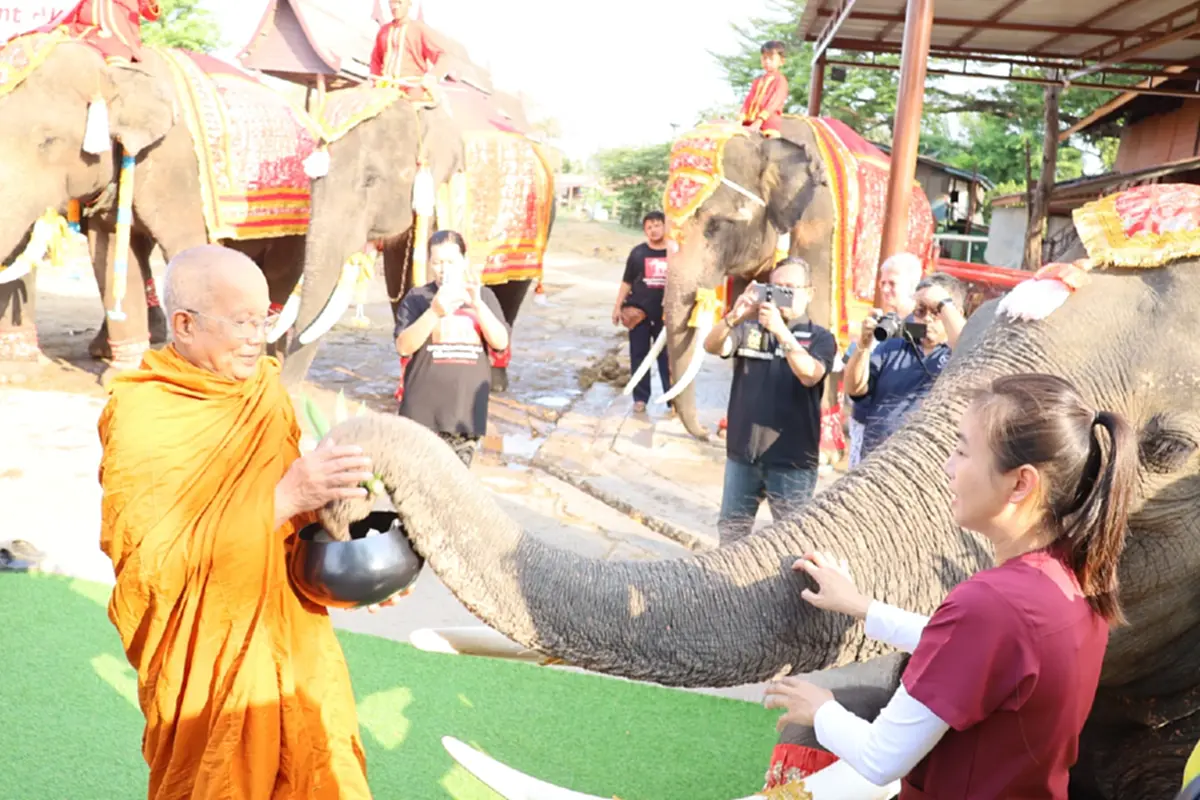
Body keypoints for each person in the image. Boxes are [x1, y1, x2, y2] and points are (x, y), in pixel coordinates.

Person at [98, 245, 391, 799]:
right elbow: (151, 568)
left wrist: (358, 567)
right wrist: (281, 499)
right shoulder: (142, 416)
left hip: (293, 636)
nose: (259, 337)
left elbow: (300, 522)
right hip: (209, 654)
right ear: (183, 324)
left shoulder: (267, 395)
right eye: (242, 322)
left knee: (325, 770)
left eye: (265, 319)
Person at [764, 373, 1137, 797]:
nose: (948, 467)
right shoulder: (1074, 578)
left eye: (962, 451)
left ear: (1021, 483)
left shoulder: (991, 604)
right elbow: (973, 654)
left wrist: (821, 709)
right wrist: (862, 607)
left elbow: (881, 758)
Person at [704, 258, 837, 544]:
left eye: (789, 289)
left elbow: (810, 375)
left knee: (792, 542)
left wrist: (780, 330)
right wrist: (733, 316)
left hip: (793, 461)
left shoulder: (821, 338)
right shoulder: (749, 330)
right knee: (731, 535)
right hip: (743, 455)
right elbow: (712, 346)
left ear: (809, 293)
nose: (781, 296)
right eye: (775, 288)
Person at [395, 229, 510, 467]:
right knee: (418, 488)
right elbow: (404, 347)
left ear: (464, 261)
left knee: (453, 493)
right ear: (429, 264)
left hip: (465, 416)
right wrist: (434, 312)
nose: (443, 269)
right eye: (437, 262)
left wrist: (477, 305)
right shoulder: (417, 298)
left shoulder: (484, 297)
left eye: (450, 261)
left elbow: (500, 342)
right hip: (421, 415)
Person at [846, 272, 966, 462]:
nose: (927, 318)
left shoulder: (960, 353)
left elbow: (968, 344)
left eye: (936, 311)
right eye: (920, 310)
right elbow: (855, 389)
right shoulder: (892, 346)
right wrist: (863, 345)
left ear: (955, 313)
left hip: (928, 467)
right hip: (875, 463)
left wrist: (943, 303)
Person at [845, 252, 923, 468]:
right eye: (883, 283)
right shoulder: (881, 321)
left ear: (911, 285)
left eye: (892, 283)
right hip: (865, 419)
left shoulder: (923, 327)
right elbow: (849, 363)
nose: (885, 289)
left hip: (900, 426)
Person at [612, 210, 671, 412]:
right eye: (649, 227)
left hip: (666, 316)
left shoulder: (675, 252)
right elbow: (626, 282)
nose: (653, 230)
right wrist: (617, 307)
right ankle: (640, 399)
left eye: (657, 225)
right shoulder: (638, 253)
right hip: (639, 314)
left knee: (668, 358)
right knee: (639, 355)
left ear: (665, 226)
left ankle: (672, 400)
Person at [42, 0, 159, 61]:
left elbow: (151, 13)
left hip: (120, 34)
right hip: (83, 31)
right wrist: (63, 28)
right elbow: (71, 9)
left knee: (115, 55)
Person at [370, 0, 444, 95]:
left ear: (409, 3)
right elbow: (375, 60)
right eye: (392, 2)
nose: (395, 6)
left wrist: (431, 78)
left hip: (411, 91)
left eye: (399, 2)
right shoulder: (383, 31)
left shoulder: (419, 29)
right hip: (385, 90)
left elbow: (443, 56)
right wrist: (374, 81)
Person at [739, 40, 789, 138]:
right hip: (750, 120)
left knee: (771, 146)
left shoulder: (780, 80)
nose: (767, 61)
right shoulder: (757, 81)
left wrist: (760, 120)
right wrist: (741, 118)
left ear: (781, 61)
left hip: (768, 122)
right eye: (764, 58)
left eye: (771, 59)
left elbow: (774, 102)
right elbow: (748, 100)